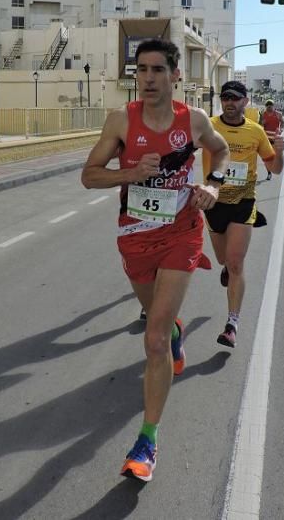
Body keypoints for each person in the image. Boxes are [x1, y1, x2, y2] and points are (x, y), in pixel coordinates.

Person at [81, 38, 230, 482]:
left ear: (174, 75)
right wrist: (130, 172)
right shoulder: (120, 121)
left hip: (182, 233)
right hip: (135, 236)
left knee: (154, 340)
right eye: (141, 70)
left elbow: (219, 152)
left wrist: (215, 187)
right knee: (155, 318)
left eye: (157, 70)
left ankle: (147, 440)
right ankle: (176, 328)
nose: (147, 78)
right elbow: (89, 176)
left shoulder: (195, 120)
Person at [202, 81, 284, 349]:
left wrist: (280, 153)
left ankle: (232, 324)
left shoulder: (256, 131)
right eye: (225, 97)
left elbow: (275, 166)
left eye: (235, 98)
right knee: (223, 259)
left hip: (243, 202)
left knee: (237, 264)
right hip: (213, 202)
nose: (230, 102)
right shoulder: (209, 126)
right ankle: (226, 266)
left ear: (245, 102)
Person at [259, 100, 283, 179]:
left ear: (273, 106)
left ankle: (273, 169)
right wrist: (262, 123)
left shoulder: (278, 114)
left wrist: (281, 129)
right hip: (266, 139)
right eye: (267, 105)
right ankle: (269, 173)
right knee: (266, 158)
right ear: (266, 106)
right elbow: (259, 125)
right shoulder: (263, 114)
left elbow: (282, 122)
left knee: (274, 157)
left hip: (275, 139)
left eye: (271, 105)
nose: (269, 107)